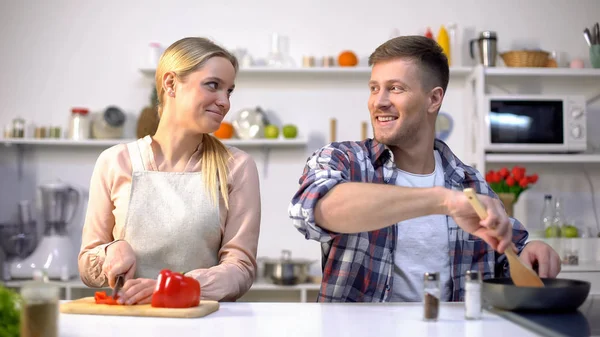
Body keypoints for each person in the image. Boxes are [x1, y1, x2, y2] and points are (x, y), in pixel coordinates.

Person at [288, 35, 561, 303]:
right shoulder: (344, 160)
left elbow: (510, 252)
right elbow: (313, 210)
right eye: (374, 88)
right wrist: (443, 201)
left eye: (395, 88)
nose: (378, 101)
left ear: (433, 100)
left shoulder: (469, 182)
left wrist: (533, 251)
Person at [79, 37, 261, 304]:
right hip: (130, 323)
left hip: (204, 324)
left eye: (229, 91)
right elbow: (87, 264)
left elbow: (240, 268)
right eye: (213, 85)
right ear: (171, 84)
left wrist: (176, 286)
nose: (225, 102)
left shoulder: (237, 167)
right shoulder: (114, 161)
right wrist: (111, 251)